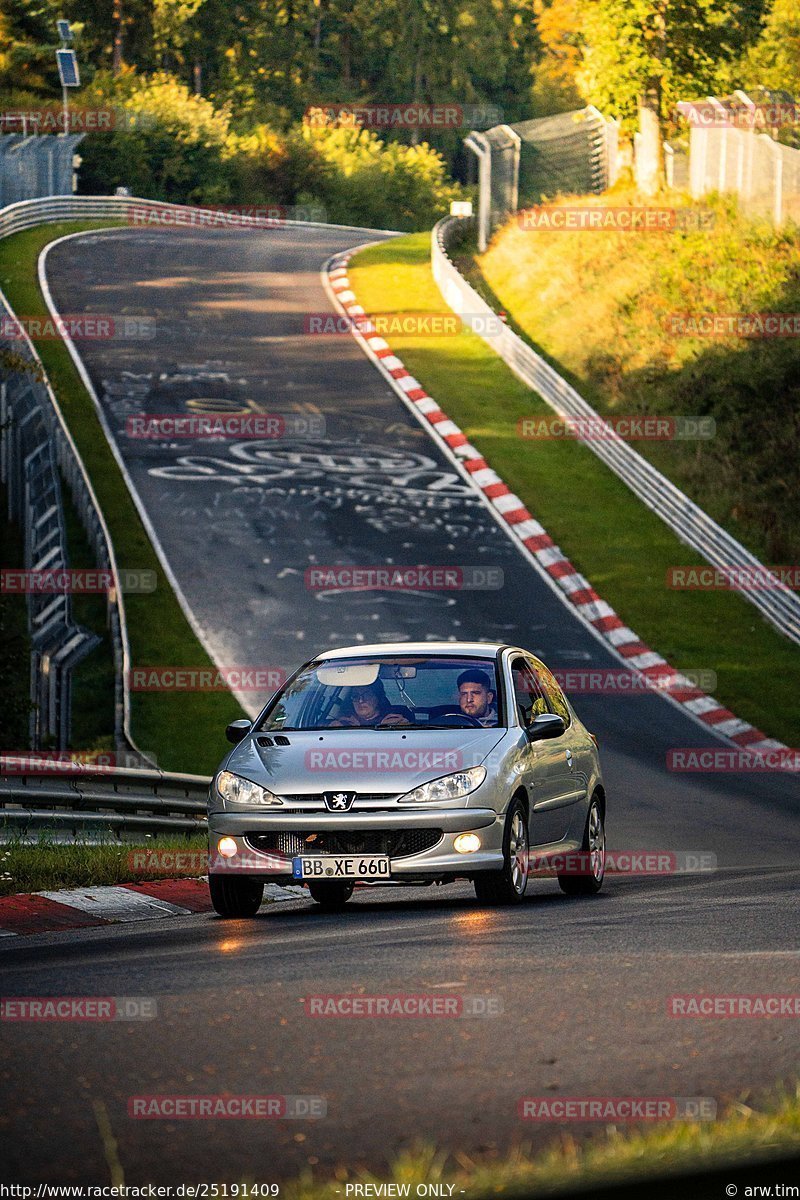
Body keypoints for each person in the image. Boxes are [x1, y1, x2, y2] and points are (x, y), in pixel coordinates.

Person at [331, 680, 411, 727]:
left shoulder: (394, 718)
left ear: (378, 697)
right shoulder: (344, 721)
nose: (361, 700)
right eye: (355, 696)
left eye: (367, 695)